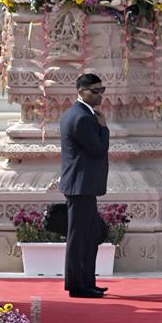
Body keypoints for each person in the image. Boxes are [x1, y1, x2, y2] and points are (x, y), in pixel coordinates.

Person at [58, 73, 110, 299]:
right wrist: (104, 128)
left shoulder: (81, 114)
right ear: (81, 91)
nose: (100, 95)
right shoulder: (81, 117)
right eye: (95, 91)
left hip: (83, 186)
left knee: (90, 235)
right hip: (80, 186)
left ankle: (87, 282)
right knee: (79, 237)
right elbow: (98, 149)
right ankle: (77, 285)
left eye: (102, 90)